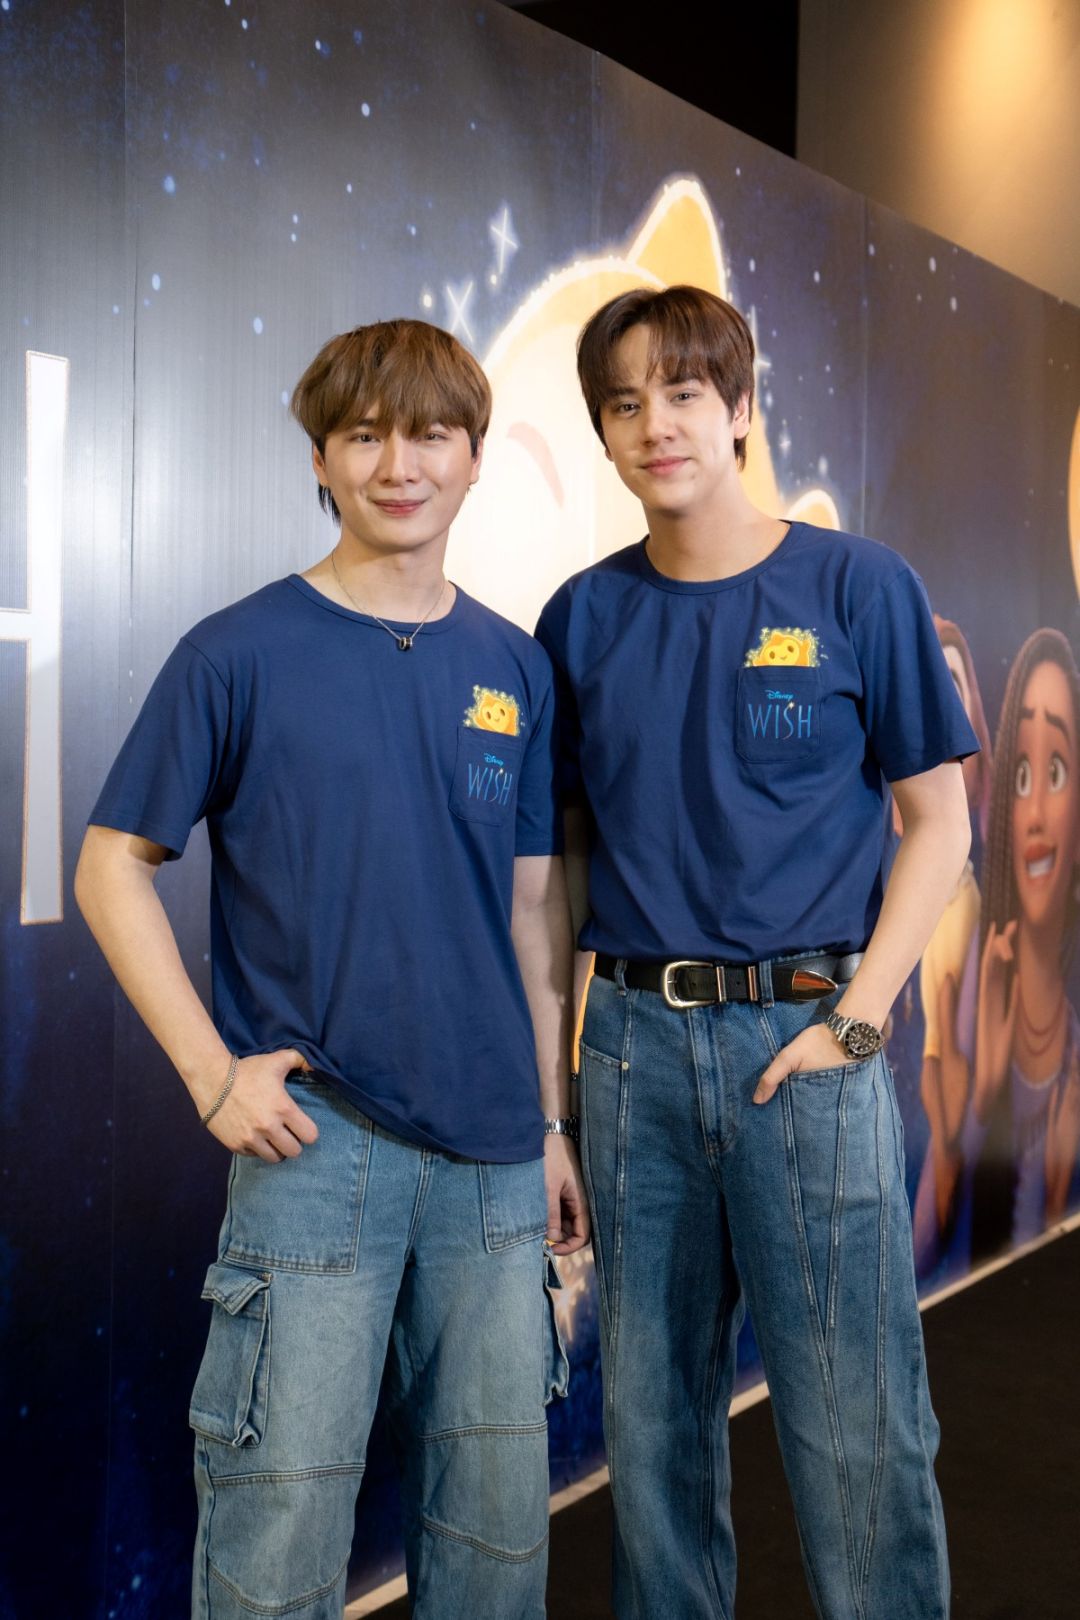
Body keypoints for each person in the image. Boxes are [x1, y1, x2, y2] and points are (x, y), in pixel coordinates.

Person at [75, 318, 588, 1620]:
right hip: (317, 1152)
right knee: (278, 1542)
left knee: (494, 1553)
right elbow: (109, 867)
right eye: (364, 436)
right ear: (320, 459)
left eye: (430, 435)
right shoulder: (236, 652)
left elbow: (534, 921)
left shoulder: (516, 668)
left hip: (496, 1170)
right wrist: (213, 1076)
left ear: (476, 456)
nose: (398, 466)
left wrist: (551, 1125)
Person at [535, 284, 978, 1620]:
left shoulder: (859, 586)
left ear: (738, 409)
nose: (655, 426)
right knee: (654, 1440)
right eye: (625, 403)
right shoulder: (579, 618)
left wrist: (857, 1021)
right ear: (604, 433)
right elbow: (554, 884)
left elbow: (940, 822)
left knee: (858, 1433)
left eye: (683, 394)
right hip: (630, 1056)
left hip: (807, 1046)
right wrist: (554, 1106)